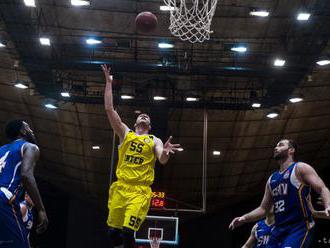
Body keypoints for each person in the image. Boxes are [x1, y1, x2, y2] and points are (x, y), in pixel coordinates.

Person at [101, 64, 181, 248]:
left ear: (149, 126)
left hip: (140, 191)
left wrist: (167, 153)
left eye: (147, 117)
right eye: (142, 115)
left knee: (129, 231)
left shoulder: (155, 140)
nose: (144, 116)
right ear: (136, 121)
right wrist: (108, 83)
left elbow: (162, 159)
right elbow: (109, 109)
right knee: (113, 233)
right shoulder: (125, 133)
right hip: (120, 188)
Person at [229, 139, 330, 248]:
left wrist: (328, 205)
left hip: (299, 226)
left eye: (280, 145)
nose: (276, 148)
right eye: (276, 146)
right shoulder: (272, 179)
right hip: (279, 229)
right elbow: (263, 209)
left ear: (291, 150)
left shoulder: (300, 168)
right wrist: (244, 218)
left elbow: (322, 188)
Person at [0, 120, 48, 248]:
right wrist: (41, 209)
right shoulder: (29, 147)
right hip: (4, 197)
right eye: (28, 127)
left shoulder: (1, 150)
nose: (31, 130)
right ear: (22, 131)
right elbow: (26, 175)